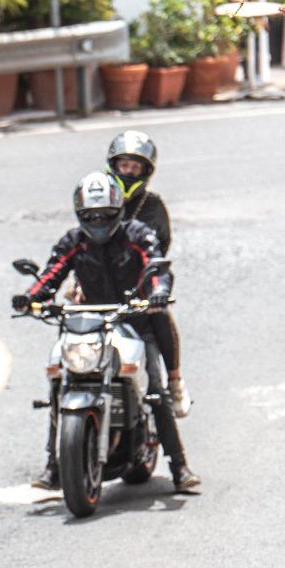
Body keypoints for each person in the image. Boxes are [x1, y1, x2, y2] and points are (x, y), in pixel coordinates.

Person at [14, 171, 200, 495]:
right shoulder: (75, 241)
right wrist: (32, 297)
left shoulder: (138, 235)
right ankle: (54, 466)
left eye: (105, 215)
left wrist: (156, 293)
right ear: (80, 215)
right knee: (60, 379)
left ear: (118, 212)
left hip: (135, 320)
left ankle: (179, 466)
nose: (98, 221)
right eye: (91, 216)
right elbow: (53, 271)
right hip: (90, 322)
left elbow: (157, 265)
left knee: (155, 389)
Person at [106, 130, 190, 418]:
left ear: (146, 172)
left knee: (161, 317)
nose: (129, 173)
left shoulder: (152, 206)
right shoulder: (102, 197)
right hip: (101, 282)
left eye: (135, 168)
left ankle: (175, 380)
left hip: (140, 284)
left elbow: (160, 250)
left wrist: (154, 288)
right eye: (124, 166)